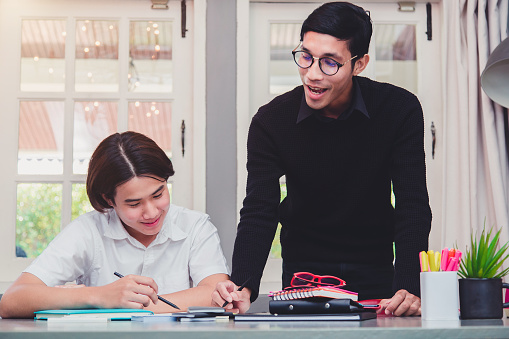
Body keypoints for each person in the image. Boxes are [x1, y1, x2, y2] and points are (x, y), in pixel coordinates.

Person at [212, 2, 431, 316]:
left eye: (330, 63)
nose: (312, 75)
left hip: (376, 272)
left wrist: (409, 286)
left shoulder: (399, 110)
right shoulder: (271, 121)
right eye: (306, 57)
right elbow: (260, 210)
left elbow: (413, 204)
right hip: (303, 276)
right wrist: (244, 284)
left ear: (360, 63)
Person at [0, 131, 230, 319]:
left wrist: (126, 307)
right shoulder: (88, 230)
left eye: (158, 194)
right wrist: (101, 296)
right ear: (109, 200)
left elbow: (216, 294)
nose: (151, 212)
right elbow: (12, 301)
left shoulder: (195, 226)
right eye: (133, 203)